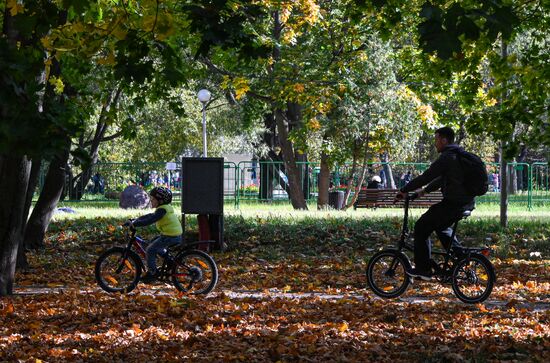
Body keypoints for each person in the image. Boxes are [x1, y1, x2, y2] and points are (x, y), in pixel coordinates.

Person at [396, 126, 475, 280]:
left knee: (421, 227)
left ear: (444, 140)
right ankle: (461, 257)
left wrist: (404, 190)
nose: (435, 143)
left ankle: (423, 269)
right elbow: (442, 179)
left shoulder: (447, 157)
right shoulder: (458, 156)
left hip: (453, 204)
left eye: (437, 139)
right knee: (440, 226)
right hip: (466, 203)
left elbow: (427, 176)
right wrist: (423, 192)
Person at [125, 186, 183, 283]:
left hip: (171, 236)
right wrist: (135, 220)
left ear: (160, 201)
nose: (151, 201)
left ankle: (152, 273)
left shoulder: (162, 210)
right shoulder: (163, 208)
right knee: (151, 243)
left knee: (150, 249)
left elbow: (151, 219)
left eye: (153, 199)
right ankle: (170, 262)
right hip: (170, 235)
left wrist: (136, 224)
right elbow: (150, 216)